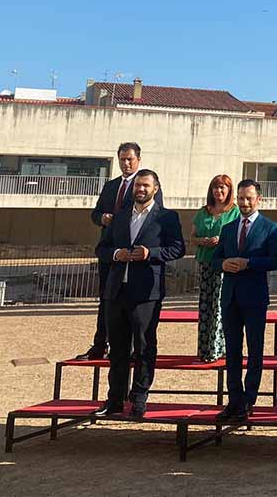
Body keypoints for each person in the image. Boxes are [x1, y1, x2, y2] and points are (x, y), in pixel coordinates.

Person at [93, 170, 184, 418]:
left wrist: (150, 253)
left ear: (156, 188)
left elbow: (178, 249)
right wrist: (115, 254)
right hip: (116, 290)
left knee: (144, 346)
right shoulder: (121, 217)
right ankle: (115, 400)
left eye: (145, 185)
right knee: (118, 348)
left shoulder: (167, 217)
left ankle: (140, 397)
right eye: (137, 185)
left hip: (146, 292)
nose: (140, 189)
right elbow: (101, 248)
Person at [78, 141, 162, 360]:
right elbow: (95, 213)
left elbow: (155, 217)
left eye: (130, 159)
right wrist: (102, 218)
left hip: (134, 255)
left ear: (138, 160)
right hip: (110, 250)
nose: (126, 163)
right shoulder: (110, 186)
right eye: (122, 159)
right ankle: (99, 344)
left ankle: (133, 348)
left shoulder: (146, 185)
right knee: (106, 298)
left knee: (132, 304)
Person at [211, 179, 277, 424]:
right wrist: (223, 264)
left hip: (254, 298)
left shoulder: (270, 228)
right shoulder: (229, 228)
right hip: (230, 297)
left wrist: (249, 263)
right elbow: (214, 258)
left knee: (255, 351)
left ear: (258, 199)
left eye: (248, 198)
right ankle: (234, 399)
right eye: (241, 198)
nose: (244, 203)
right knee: (232, 352)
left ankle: (248, 399)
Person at [190, 174, 239, 362]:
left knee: (219, 306)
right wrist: (202, 241)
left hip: (224, 266)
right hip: (206, 262)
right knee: (205, 307)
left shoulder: (234, 212)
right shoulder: (204, 212)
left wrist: (222, 240)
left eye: (222, 188)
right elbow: (192, 237)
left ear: (228, 191)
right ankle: (204, 349)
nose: (218, 191)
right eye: (215, 188)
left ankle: (217, 348)